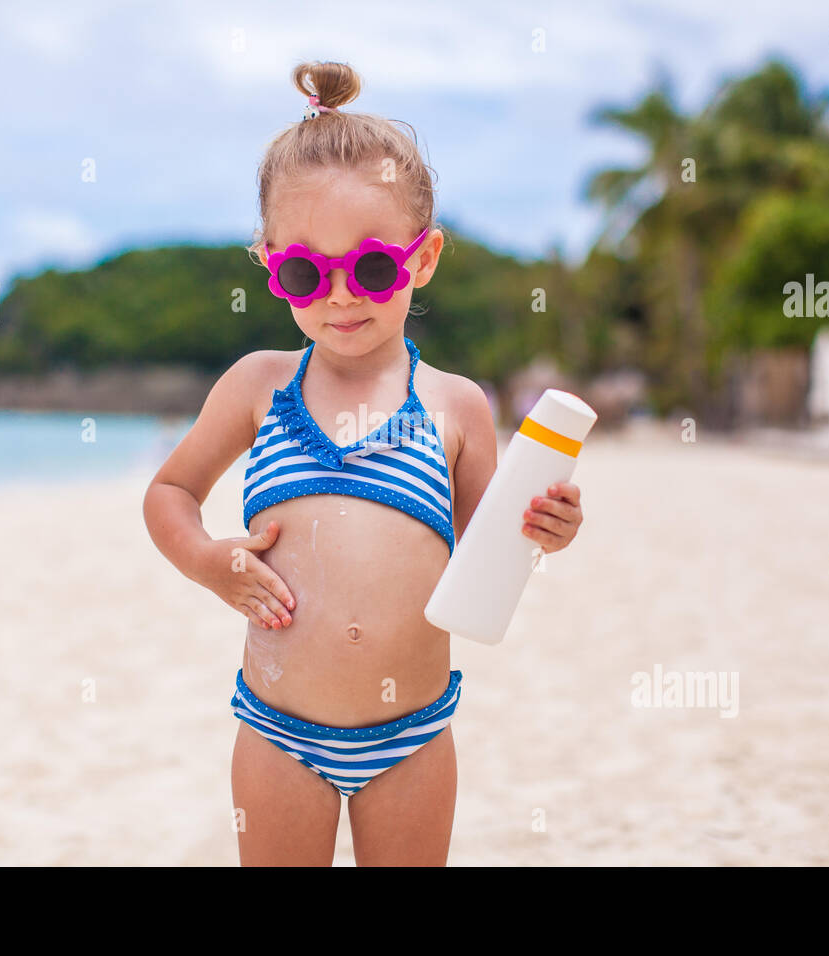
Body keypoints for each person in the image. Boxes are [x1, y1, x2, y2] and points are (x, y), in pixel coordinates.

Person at [143, 61, 584, 866]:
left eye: (373, 266)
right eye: (306, 271)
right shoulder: (257, 386)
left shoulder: (456, 406)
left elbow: (493, 549)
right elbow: (169, 491)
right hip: (278, 732)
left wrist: (546, 530)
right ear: (270, 259)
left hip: (413, 737)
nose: (341, 295)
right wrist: (208, 561)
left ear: (423, 260)